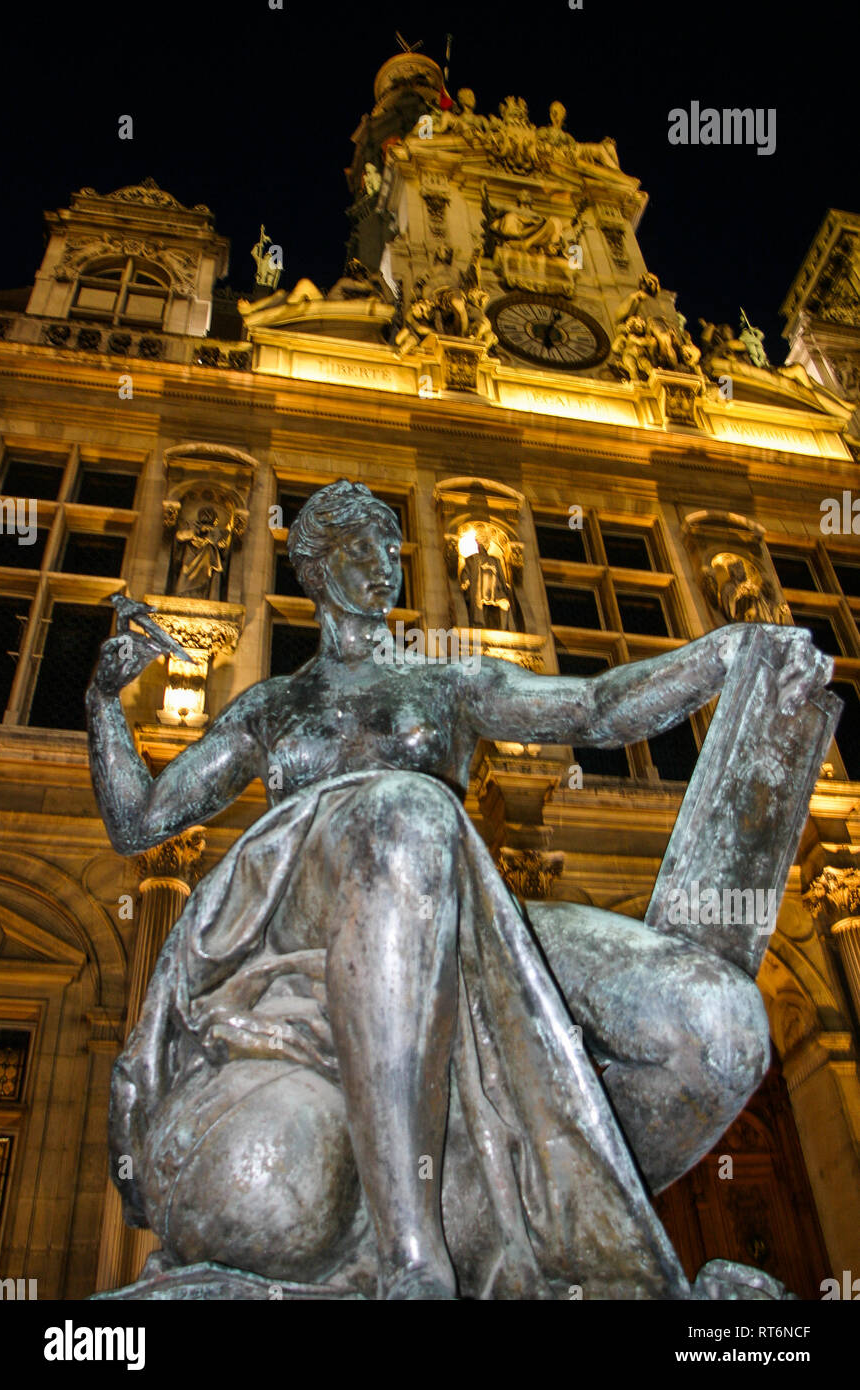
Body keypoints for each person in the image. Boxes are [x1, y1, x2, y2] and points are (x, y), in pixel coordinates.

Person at [87, 480, 831, 1300]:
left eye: (390, 548)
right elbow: (142, 820)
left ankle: (522, 1235)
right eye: (362, 547)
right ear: (317, 565)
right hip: (306, 917)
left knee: (717, 1027)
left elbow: (594, 707)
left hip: (459, 904)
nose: (386, 565)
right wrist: (102, 705)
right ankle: (413, 1258)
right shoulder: (275, 705)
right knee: (402, 809)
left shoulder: (446, 682)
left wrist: (720, 655)